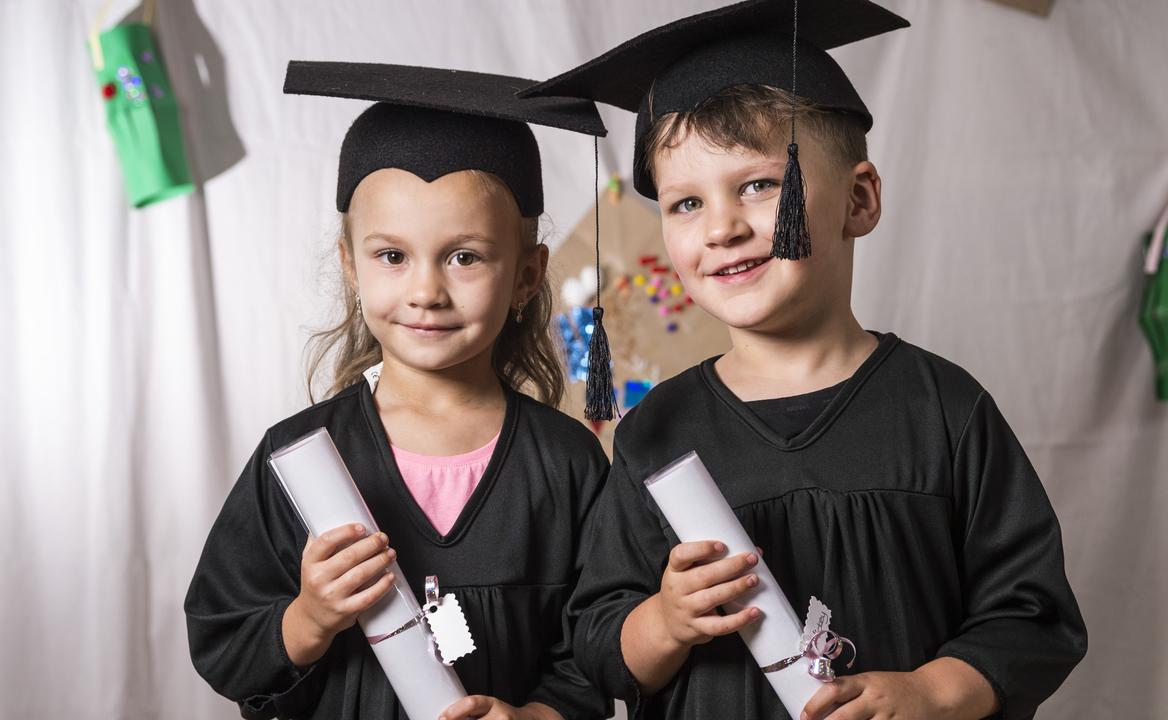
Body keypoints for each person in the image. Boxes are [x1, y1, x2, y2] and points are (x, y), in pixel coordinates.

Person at [520, 1, 1087, 718]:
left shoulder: (943, 409)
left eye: (758, 184)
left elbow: (1031, 617)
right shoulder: (657, 432)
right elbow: (601, 651)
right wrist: (665, 620)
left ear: (859, 199)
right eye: (686, 203)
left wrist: (932, 692)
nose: (722, 227)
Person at [185, 61, 613, 720]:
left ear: (528, 274)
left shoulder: (566, 464)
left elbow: (592, 652)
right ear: (351, 266)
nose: (426, 292)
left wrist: (535, 717)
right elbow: (224, 640)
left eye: (464, 256)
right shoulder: (299, 458)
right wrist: (309, 617)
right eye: (392, 256)